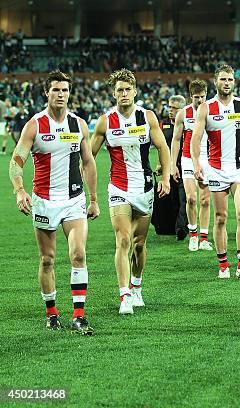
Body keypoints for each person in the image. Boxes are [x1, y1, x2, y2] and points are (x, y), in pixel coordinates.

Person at [9, 70, 99, 334]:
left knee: (78, 254)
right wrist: (19, 190)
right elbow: (16, 162)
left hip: (73, 199)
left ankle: (79, 315)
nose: (61, 95)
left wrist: (93, 199)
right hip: (45, 200)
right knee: (47, 259)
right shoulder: (35, 125)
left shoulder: (79, 125)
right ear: (46, 93)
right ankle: (51, 313)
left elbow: (89, 162)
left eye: (65, 90)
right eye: (56, 90)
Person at [90, 69, 171, 314]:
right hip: (118, 187)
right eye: (119, 90)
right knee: (123, 239)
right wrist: (90, 192)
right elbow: (89, 157)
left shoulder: (147, 117)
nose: (124, 94)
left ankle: (136, 286)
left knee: (139, 244)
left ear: (135, 91)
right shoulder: (105, 121)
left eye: (128, 89)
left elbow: (163, 147)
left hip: (144, 187)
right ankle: (124, 295)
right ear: (113, 94)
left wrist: (165, 177)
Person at [191, 65, 240, 279]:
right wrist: (197, 163)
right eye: (223, 79)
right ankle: (224, 264)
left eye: (230, 79)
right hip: (216, 169)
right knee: (220, 218)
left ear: (234, 82)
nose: (227, 83)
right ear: (215, 82)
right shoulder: (206, 108)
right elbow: (196, 138)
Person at [171, 79, 213, 252]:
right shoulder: (183, 114)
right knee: (191, 198)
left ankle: (204, 238)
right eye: (196, 97)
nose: (200, 100)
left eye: (203, 97)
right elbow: (176, 139)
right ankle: (193, 234)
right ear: (190, 96)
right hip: (188, 159)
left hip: (208, 159)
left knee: (204, 200)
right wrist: (173, 165)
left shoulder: (211, 111)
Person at [155, 95, 188, 240]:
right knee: (172, 199)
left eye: (174, 108)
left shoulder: (188, 123)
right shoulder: (163, 124)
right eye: (169, 107)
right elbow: (161, 147)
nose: (170, 110)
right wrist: (160, 164)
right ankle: (171, 226)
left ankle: (182, 228)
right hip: (169, 166)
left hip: (185, 165)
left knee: (184, 198)